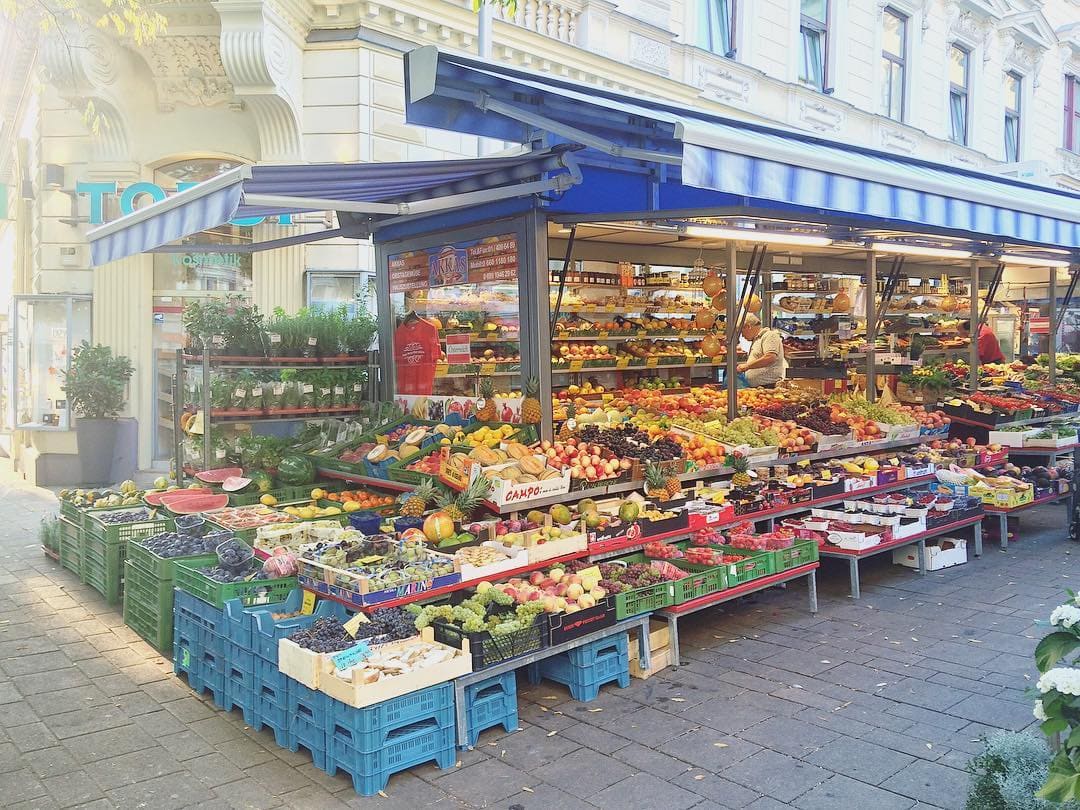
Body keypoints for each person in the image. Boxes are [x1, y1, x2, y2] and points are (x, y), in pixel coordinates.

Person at [737, 314, 786, 388]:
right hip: (759, 387)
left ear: (748, 326)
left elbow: (770, 357)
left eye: (742, 332)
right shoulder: (757, 339)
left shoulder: (769, 335)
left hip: (768, 387)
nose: (742, 336)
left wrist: (747, 366)